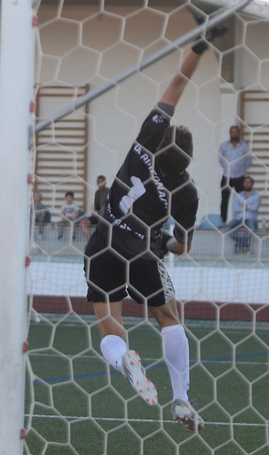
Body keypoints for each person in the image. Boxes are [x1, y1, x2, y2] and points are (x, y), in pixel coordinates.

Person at [83, 36, 213, 434]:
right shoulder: (186, 192)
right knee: (168, 317)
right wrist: (162, 242)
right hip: (141, 253)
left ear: (160, 146)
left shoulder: (144, 144)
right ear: (188, 161)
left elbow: (176, 84)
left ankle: (123, 361)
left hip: (101, 244)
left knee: (109, 325)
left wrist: (200, 45)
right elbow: (182, 246)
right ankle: (182, 399)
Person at [218, 125, 252, 224]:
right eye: (232, 132)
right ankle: (223, 222)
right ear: (230, 133)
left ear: (239, 133)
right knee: (224, 200)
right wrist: (226, 168)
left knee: (242, 200)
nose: (234, 134)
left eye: (236, 132)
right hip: (226, 176)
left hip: (240, 177)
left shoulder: (244, 146)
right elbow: (220, 159)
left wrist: (241, 169)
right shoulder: (224, 145)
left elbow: (249, 160)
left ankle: (242, 221)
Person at [226, 175, 261, 253]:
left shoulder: (256, 196)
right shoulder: (239, 195)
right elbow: (235, 208)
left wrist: (243, 206)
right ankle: (244, 244)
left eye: (249, 182)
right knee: (228, 229)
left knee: (251, 231)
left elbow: (255, 208)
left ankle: (238, 246)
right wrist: (248, 207)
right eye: (245, 182)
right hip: (239, 218)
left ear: (252, 184)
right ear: (243, 183)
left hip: (251, 219)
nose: (247, 184)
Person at [80, 175, 108, 239]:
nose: (99, 184)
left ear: (105, 183)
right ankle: (90, 242)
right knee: (83, 222)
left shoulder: (109, 192)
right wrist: (93, 210)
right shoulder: (96, 193)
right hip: (97, 216)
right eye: (98, 182)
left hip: (106, 217)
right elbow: (94, 205)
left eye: (101, 182)